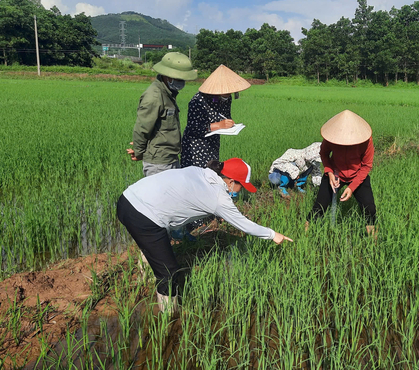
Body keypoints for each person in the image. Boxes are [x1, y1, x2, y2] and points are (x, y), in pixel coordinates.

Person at [116, 158, 293, 312]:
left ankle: (144, 279)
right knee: (169, 271)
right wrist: (272, 234)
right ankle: (168, 317)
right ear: (230, 181)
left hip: (127, 200)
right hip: (143, 217)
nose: (241, 191)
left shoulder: (200, 172)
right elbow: (244, 225)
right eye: (241, 186)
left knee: (154, 247)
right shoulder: (217, 197)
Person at [126, 52, 198, 177]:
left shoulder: (168, 93)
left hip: (171, 158)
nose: (182, 82)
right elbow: (142, 128)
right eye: (179, 79)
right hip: (158, 164)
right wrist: (139, 152)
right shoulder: (154, 96)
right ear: (167, 76)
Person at [307, 110, 377, 236]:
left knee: (369, 208)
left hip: (357, 175)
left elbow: (366, 166)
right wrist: (329, 173)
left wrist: (351, 188)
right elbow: (324, 153)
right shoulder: (331, 138)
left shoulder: (366, 140)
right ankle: (304, 236)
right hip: (335, 174)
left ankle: (373, 240)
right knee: (320, 206)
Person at [181, 64, 251, 168]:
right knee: (197, 178)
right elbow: (193, 128)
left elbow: (225, 117)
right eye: (224, 93)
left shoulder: (227, 99)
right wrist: (219, 125)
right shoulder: (198, 101)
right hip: (195, 147)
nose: (227, 96)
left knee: (212, 174)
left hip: (213, 143)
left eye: (229, 93)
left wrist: (229, 124)